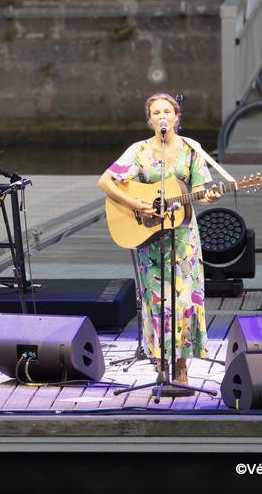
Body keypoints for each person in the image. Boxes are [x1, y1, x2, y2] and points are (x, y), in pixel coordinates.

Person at [98, 93, 221, 385]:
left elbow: (201, 190)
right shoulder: (139, 151)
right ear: (150, 119)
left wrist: (210, 196)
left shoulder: (191, 150)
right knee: (158, 303)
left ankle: (181, 366)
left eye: (168, 111)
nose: (162, 116)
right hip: (152, 241)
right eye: (156, 112)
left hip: (183, 239)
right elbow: (105, 181)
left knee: (183, 301)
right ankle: (161, 361)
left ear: (177, 117)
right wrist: (134, 204)